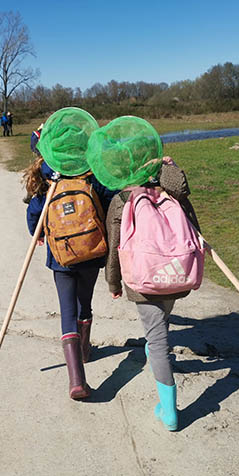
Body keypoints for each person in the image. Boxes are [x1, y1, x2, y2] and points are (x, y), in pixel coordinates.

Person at [86, 116, 201, 431]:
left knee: (158, 339)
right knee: (160, 326)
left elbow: (114, 248)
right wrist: (168, 166)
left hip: (143, 279)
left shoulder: (122, 199)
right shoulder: (169, 192)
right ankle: (156, 358)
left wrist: (113, 282)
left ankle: (170, 411)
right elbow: (184, 194)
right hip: (176, 274)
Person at [24, 107, 115, 400]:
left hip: (60, 256)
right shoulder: (91, 175)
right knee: (83, 304)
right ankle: (85, 350)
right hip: (91, 253)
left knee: (66, 310)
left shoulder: (47, 176)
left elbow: (34, 217)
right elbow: (109, 201)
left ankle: (76, 378)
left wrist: (39, 234)